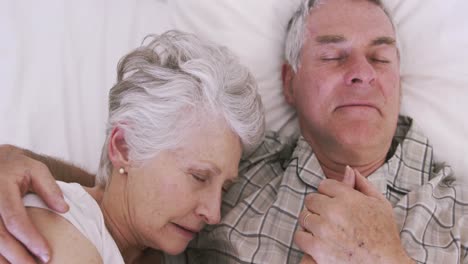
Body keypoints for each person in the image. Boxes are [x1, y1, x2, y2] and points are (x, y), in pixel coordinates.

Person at [0, 0, 467, 263]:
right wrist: (18, 161)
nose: (363, 73)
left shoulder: (460, 213)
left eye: (381, 58)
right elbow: (124, 195)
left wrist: (388, 258)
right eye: (333, 56)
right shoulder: (245, 168)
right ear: (289, 81)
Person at [0, 30, 265, 264]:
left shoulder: (151, 249)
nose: (213, 213)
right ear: (124, 147)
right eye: (199, 177)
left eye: (225, 188)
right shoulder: (56, 228)